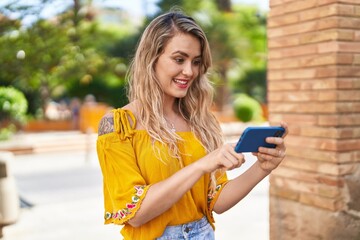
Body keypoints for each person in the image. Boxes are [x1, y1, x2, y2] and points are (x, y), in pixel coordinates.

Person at [96, 10, 288, 240]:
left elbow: (216, 201)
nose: (189, 71)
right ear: (151, 58)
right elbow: (134, 213)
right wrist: (201, 166)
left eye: (196, 62)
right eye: (179, 59)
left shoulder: (203, 123)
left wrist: (263, 168)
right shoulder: (119, 126)